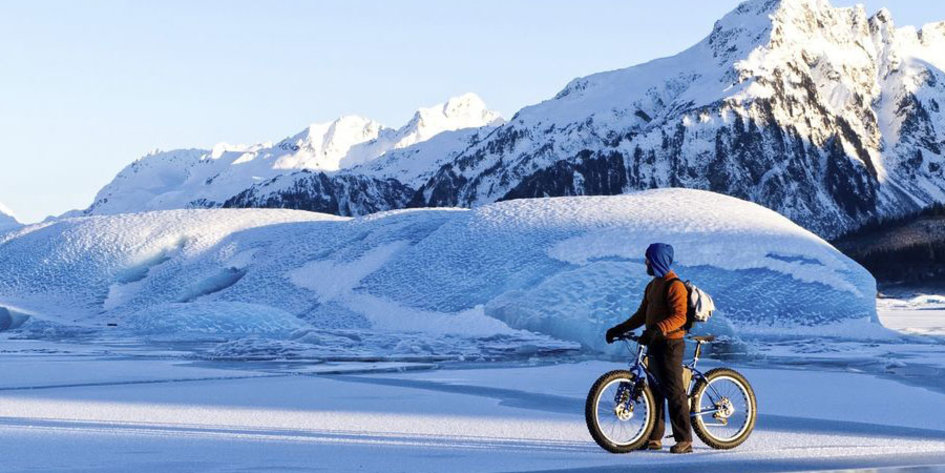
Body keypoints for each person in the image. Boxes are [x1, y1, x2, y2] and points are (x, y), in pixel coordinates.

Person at [605, 242, 692, 454]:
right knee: (654, 391)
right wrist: (619, 328)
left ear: (658, 260)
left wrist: (658, 329)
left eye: (648, 259)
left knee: (674, 391)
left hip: (671, 343)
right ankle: (654, 438)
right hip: (655, 342)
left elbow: (680, 316)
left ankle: (685, 440)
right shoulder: (653, 286)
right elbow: (641, 315)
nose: (646, 263)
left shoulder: (675, 286)